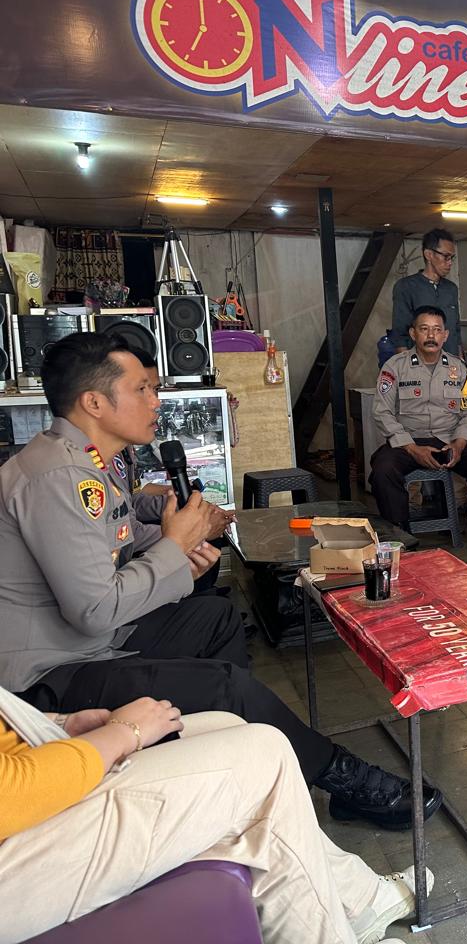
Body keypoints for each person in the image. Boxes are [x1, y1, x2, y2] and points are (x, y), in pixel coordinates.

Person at [0, 333, 440, 832]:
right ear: (94, 403)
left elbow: (122, 538)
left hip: (91, 640)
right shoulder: (58, 477)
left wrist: (182, 539)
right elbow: (95, 609)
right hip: (52, 672)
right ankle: (346, 781)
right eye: (141, 389)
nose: (155, 401)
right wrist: (174, 546)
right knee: (226, 685)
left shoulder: (88, 461)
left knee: (215, 617)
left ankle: (234, 755)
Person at [0, 690, 422, 944]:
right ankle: (350, 912)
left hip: (29, 767)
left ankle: (356, 903)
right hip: (16, 831)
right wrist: (124, 733)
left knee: (227, 724)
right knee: (262, 753)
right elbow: (12, 796)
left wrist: (59, 723)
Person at [370, 306, 467, 556]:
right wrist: (411, 448)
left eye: (437, 330)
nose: (431, 336)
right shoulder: (395, 367)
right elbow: (382, 412)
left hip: (449, 440)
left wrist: (460, 443)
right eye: (424, 329)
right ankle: (400, 535)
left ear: (445, 335)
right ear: (413, 333)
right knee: (383, 468)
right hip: (409, 442)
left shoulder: (460, 368)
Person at [118, 344, 234, 593]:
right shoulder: (86, 465)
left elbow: (132, 499)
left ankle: (204, 598)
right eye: (142, 390)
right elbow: (126, 531)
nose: (155, 402)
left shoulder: (121, 450)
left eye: (155, 390)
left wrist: (182, 506)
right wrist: (192, 532)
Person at [390, 229, 461, 358]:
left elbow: (456, 331)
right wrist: (406, 367)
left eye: (452, 258)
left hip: (450, 364)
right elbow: (400, 334)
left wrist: (461, 363)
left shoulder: (451, 289)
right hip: (420, 364)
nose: (450, 262)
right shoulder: (406, 287)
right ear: (428, 254)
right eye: (446, 256)